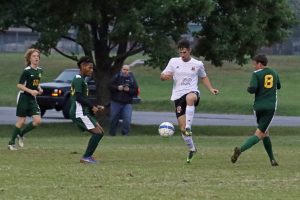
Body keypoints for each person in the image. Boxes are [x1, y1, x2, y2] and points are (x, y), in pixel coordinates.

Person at [160, 39, 219, 163]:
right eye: (180, 52)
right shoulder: (173, 61)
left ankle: (188, 126)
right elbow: (163, 76)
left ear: (189, 50)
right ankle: (192, 148)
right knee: (182, 130)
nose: (182, 55)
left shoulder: (197, 64)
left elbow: (203, 77)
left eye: (184, 52)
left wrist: (211, 88)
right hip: (177, 96)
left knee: (190, 98)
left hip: (192, 91)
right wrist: (164, 77)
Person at [231, 54, 281, 166]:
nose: (254, 66)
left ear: (260, 63)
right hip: (270, 108)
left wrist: (249, 88)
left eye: (254, 64)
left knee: (265, 133)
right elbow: (278, 86)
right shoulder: (274, 73)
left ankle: (272, 160)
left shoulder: (256, 74)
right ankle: (240, 149)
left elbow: (252, 89)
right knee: (260, 133)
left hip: (257, 108)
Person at [69, 56, 105, 164]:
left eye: (92, 68)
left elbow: (83, 98)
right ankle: (86, 157)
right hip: (79, 112)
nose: (91, 70)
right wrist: (92, 107)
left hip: (84, 111)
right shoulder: (78, 79)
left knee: (101, 132)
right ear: (83, 66)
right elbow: (79, 97)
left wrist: (94, 106)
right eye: (90, 68)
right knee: (98, 133)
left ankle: (88, 156)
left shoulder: (83, 80)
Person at [8, 48, 43, 150]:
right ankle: (11, 143)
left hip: (32, 98)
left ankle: (21, 134)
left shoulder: (40, 70)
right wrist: (31, 91)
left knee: (38, 120)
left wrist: (39, 88)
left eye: (37, 56)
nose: (36, 58)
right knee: (21, 121)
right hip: (24, 97)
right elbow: (19, 85)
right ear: (29, 58)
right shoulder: (26, 71)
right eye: (34, 56)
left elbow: (35, 83)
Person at [108, 65, 139, 136]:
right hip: (115, 102)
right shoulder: (116, 76)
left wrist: (128, 90)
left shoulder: (131, 78)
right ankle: (112, 134)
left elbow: (136, 91)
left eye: (127, 70)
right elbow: (109, 86)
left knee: (127, 119)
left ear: (129, 71)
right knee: (113, 119)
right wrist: (117, 88)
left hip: (127, 103)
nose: (125, 71)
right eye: (124, 69)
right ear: (121, 69)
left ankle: (125, 134)